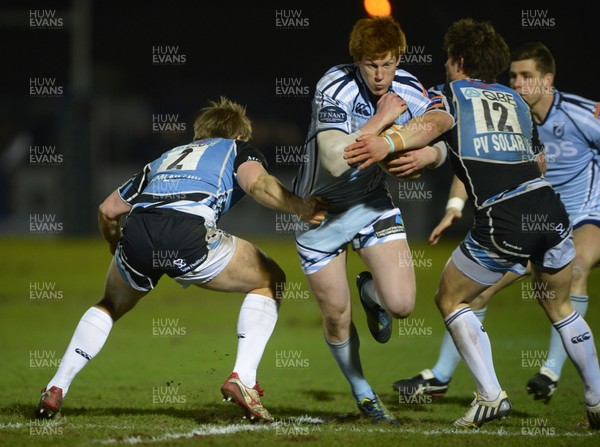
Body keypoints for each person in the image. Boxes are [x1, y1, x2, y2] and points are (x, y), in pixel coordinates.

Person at [344, 19, 600, 429]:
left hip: (506, 218)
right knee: (561, 306)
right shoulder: (516, 101)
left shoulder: (449, 94)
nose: (445, 65)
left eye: (448, 58)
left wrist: (388, 142)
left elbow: (432, 125)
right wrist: (435, 157)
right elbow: (537, 162)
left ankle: (490, 396)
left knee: (450, 298)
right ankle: (596, 401)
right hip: (550, 210)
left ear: (458, 60)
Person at [33, 97, 327, 423]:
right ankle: (242, 378)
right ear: (240, 136)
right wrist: (299, 207)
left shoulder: (165, 158)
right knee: (271, 278)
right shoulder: (237, 149)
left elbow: (107, 211)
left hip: (138, 232)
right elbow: (257, 183)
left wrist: (117, 244)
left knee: (110, 305)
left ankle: (56, 387)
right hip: (187, 234)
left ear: (198, 135)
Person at [291, 16, 447, 425]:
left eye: (388, 63)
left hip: (371, 204)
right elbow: (333, 160)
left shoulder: (409, 87)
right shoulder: (332, 85)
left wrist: (431, 155)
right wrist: (381, 123)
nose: (381, 75)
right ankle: (364, 394)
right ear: (356, 60)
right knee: (336, 316)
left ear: (398, 58)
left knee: (402, 305)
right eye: (370, 65)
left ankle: (371, 291)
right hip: (317, 211)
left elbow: (443, 122)